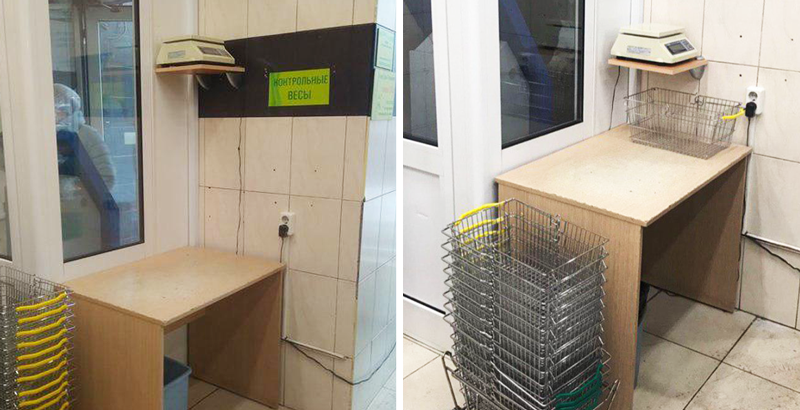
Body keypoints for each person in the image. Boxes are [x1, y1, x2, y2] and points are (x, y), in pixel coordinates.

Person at [54, 83, 116, 192]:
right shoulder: (38, 138)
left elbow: (106, 178)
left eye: (56, 110)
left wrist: (67, 188)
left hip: (79, 202)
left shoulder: (86, 134)